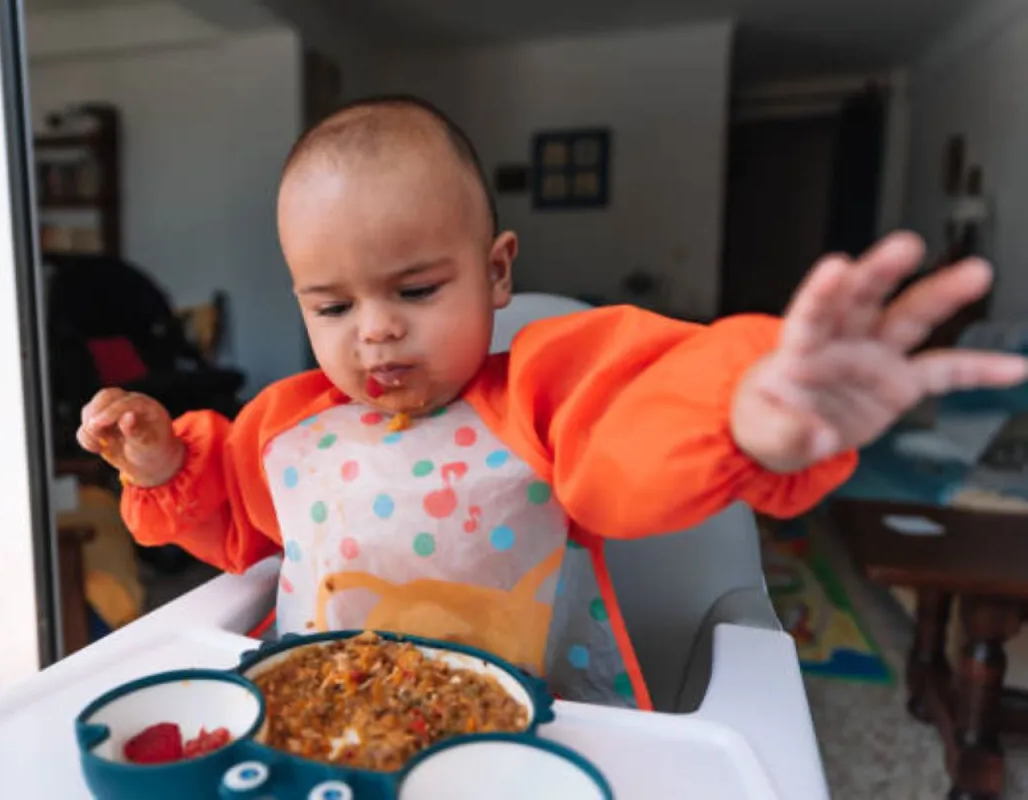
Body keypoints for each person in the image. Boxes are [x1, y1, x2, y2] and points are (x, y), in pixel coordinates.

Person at [77, 96, 1026, 710]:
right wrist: (166, 466)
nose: (375, 331)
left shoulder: (540, 390)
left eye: (414, 291)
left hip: (534, 733)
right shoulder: (287, 425)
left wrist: (742, 413)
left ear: (495, 275)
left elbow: (633, 440)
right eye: (334, 305)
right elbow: (235, 528)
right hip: (324, 722)